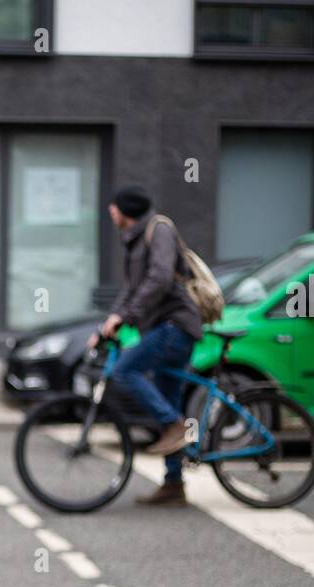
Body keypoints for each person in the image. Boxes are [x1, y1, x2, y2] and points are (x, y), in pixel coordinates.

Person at [90, 185, 203, 507]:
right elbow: (132, 288)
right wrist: (109, 323)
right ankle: (173, 483)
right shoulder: (136, 240)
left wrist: (125, 316)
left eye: (113, 208)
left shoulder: (160, 230)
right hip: (162, 327)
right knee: (168, 397)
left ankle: (174, 424)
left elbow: (160, 279)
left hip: (176, 326)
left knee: (125, 371)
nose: (110, 213)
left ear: (124, 211)